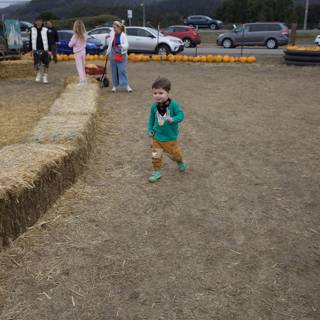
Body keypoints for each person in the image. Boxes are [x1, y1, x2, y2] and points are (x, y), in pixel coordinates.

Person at [147, 78, 186, 183]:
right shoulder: (154, 106)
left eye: (161, 93)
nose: (157, 95)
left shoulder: (173, 105)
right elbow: (151, 119)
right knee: (156, 155)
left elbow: (181, 115)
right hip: (157, 137)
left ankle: (180, 161)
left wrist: (173, 119)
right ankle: (156, 172)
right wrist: (150, 129)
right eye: (155, 93)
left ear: (168, 92)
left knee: (175, 155)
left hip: (170, 138)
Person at [106, 21, 132, 93]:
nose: (114, 29)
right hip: (113, 52)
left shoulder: (123, 35)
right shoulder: (112, 33)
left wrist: (122, 46)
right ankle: (114, 86)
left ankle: (126, 85)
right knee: (114, 70)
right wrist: (108, 52)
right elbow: (110, 43)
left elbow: (127, 45)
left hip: (121, 52)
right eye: (113, 27)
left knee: (122, 70)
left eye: (115, 27)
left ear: (118, 27)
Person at [29, 16, 50, 83]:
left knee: (46, 64)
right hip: (36, 49)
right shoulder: (32, 30)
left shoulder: (46, 30)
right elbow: (30, 40)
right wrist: (30, 50)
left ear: (42, 22)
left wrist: (50, 50)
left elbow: (49, 40)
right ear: (35, 22)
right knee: (36, 64)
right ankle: (38, 74)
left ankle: (45, 77)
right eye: (37, 21)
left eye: (40, 21)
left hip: (45, 49)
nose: (39, 22)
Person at [68, 19, 87, 85]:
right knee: (83, 66)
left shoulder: (75, 36)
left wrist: (70, 41)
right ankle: (84, 80)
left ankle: (82, 81)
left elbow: (70, 45)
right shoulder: (85, 34)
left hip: (77, 53)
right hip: (83, 51)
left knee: (79, 67)